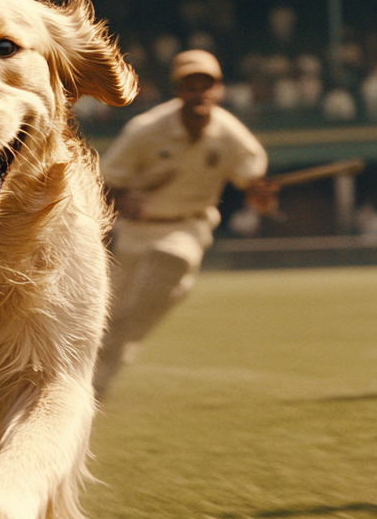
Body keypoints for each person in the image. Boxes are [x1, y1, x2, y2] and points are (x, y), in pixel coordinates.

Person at [93, 50, 274, 397]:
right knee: (111, 315)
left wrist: (261, 196)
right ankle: (95, 378)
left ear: (219, 90)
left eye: (206, 86)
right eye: (190, 86)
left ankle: (100, 380)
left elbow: (254, 185)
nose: (198, 93)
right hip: (136, 233)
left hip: (188, 228)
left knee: (172, 261)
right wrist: (121, 200)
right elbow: (106, 181)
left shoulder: (231, 135)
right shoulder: (145, 130)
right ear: (178, 90)